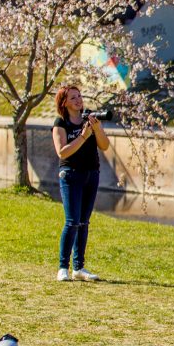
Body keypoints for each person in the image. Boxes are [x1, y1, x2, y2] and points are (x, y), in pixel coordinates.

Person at [52, 86, 109, 282]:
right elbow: (63, 152)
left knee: (84, 222)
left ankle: (79, 267)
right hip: (70, 175)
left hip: (91, 174)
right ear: (64, 103)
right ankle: (63, 267)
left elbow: (105, 145)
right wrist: (83, 136)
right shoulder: (61, 123)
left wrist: (97, 129)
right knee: (72, 221)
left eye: (79, 96)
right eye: (73, 98)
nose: (78, 100)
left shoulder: (88, 120)